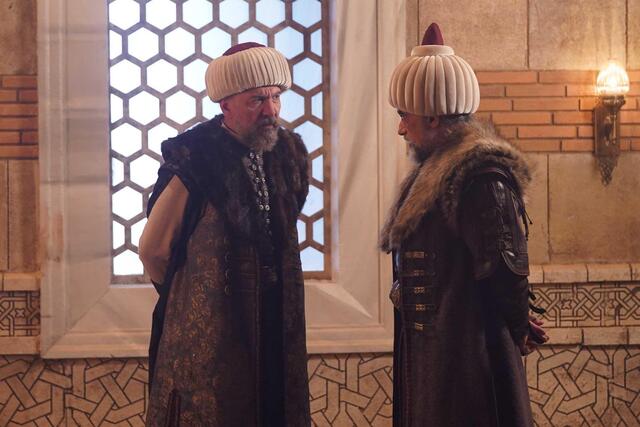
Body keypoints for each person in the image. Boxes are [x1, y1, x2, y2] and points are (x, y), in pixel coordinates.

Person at [380, 23, 548, 426]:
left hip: (470, 361)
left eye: (405, 115)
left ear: (433, 117)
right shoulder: (436, 172)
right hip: (437, 354)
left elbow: (505, 267)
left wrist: (518, 324)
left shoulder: (481, 177)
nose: (401, 127)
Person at [139, 42, 310, 426]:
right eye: (256, 100)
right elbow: (154, 250)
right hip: (213, 330)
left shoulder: (288, 155)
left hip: (276, 319)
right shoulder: (196, 157)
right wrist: (193, 296)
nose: (271, 111)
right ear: (226, 104)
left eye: (275, 97)